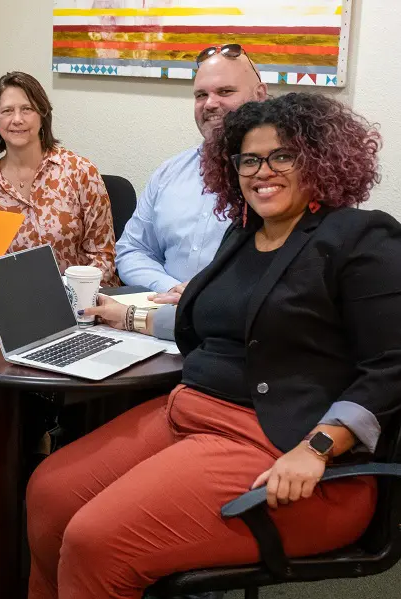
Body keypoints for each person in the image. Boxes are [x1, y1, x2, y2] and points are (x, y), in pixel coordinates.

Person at [26, 92, 401, 599]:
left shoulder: (360, 238)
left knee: (96, 541)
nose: (262, 171)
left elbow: (391, 364)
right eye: (249, 158)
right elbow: (205, 322)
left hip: (284, 447)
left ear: (318, 159)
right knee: (50, 492)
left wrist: (316, 448)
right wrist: (125, 316)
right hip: (189, 414)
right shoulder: (244, 235)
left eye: (282, 155)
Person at [115, 44, 268, 295]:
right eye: (200, 95)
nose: (209, 104)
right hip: (157, 318)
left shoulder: (280, 182)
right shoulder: (170, 172)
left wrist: (202, 300)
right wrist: (173, 290)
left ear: (260, 95)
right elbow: (132, 250)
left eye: (225, 91)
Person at [0, 71, 117, 282]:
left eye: (27, 109)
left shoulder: (80, 172)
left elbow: (103, 256)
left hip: (84, 303)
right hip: (18, 306)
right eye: (7, 111)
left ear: (42, 115)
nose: (17, 119)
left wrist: (72, 296)